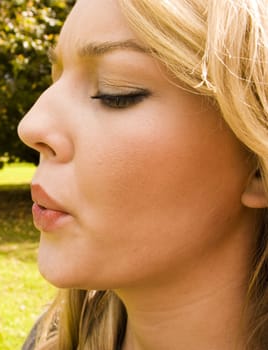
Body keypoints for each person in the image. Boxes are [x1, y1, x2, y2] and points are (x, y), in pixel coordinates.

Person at [17, 0, 268, 349]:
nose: (31, 125)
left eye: (115, 92)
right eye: (56, 78)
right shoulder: (48, 340)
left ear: (257, 164)